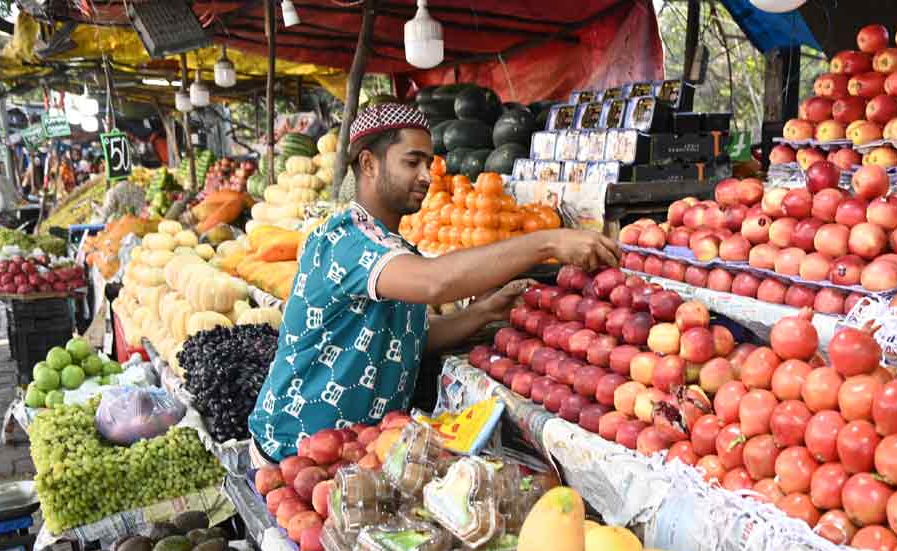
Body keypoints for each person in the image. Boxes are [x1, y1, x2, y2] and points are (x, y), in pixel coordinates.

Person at [247, 103, 619, 464]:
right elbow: (435, 284)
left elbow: (409, 337)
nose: (426, 175)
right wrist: (547, 242)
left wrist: (482, 312)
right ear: (368, 164)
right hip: (294, 453)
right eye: (412, 162)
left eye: (428, 163)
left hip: (355, 454)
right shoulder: (345, 241)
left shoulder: (390, 245)